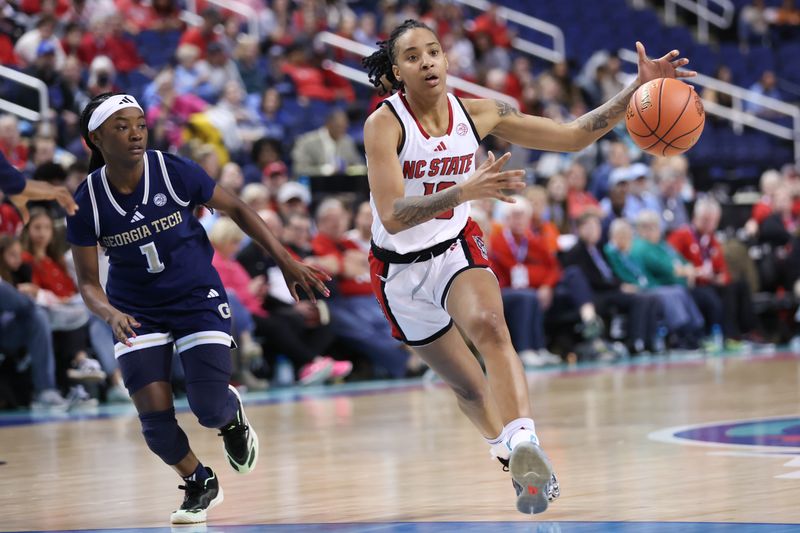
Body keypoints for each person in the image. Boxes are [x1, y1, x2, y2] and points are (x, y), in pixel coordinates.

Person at [361, 18, 692, 514]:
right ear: (397, 71)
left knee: (491, 327)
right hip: (398, 271)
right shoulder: (384, 124)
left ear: (446, 59)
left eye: (434, 51)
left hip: (454, 248)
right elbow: (392, 213)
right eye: (413, 56)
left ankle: (526, 444)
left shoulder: (480, 114)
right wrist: (463, 191)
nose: (427, 61)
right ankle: (510, 456)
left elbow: (573, 136)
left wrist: (635, 92)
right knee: (469, 388)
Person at [66, 93, 329, 524]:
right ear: (95, 137)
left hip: (195, 298)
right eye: (121, 126)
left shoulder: (173, 171)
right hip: (135, 309)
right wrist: (109, 313)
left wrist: (286, 261)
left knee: (208, 407)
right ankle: (199, 481)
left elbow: (239, 208)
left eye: (140, 124)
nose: (135, 133)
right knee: (153, 421)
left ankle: (231, 418)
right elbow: (90, 284)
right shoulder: (88, 200)